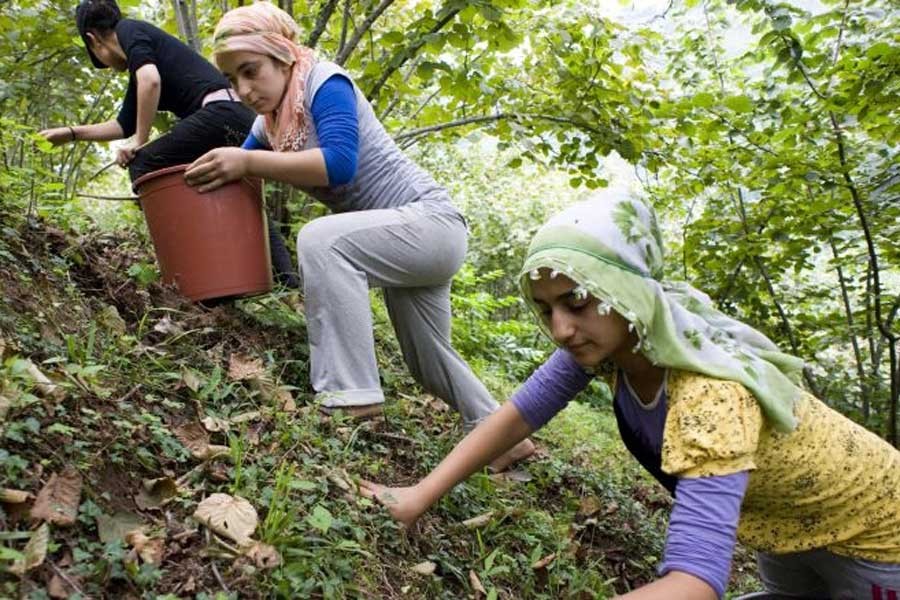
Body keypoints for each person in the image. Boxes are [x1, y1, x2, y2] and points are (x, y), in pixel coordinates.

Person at [360, 195, 900, 599]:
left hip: (878, 536)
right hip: (782, 525)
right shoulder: (620, 341)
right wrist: (417, 496)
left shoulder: (709, 393)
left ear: (628, 293)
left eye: (576, 301)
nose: (562, 328)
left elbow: (695, 581)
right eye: (547, 308)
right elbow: (517, 416)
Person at [183, 1, 533, 470]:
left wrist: (245, 161)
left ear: (284, 55)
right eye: (233, 80)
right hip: (398, 238)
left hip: (430, 222)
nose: (244, 90)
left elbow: (338, 162)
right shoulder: (269, 124)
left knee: (320, 240)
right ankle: (504, 438)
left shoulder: (324, 82)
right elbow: (240, 180)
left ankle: (350, 398)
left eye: (251, 71)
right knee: (427, 361)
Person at [39, 0, 298, 287]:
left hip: (219, 113)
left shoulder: (129, 30)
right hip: (240, 116)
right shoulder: (143, 57)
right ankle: (289, 284)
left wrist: (139, 141)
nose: (109, 67)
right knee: (246, 195)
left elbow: (150, 82)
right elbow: (121, 125)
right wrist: (71, 132)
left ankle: (188, 272)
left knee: (145, 163)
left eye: (100, 60)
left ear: (93, 39)